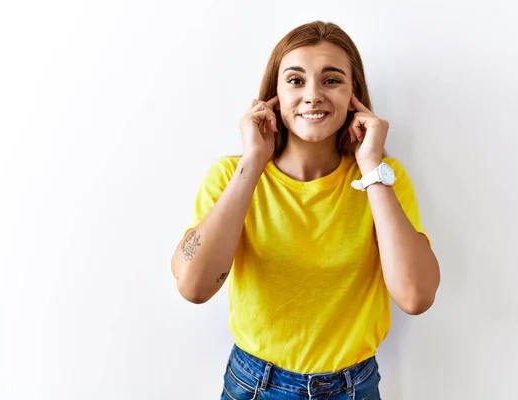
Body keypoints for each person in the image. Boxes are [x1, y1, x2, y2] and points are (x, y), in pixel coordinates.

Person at [170, 20, 440, 400]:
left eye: (331, 80)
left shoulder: (382, 180)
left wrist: (371, 166)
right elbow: (193, 287)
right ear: (274, 95)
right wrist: (253, 161)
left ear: (354, 96)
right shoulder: (231, 175)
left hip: (354, 387)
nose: (312, 95)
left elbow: (415, 296)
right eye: (296, 80)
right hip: (254, 385)